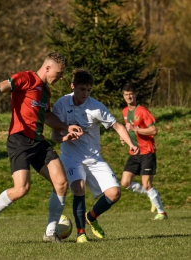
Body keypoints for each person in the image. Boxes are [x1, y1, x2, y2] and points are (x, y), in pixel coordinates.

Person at [0, 52, 83, 243]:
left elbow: (46, 116)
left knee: (61, 183)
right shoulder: (25, 78)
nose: (60, 77)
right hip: (19, 140)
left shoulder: (46, 91)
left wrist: (65, 126)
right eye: (59, 73)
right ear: (47, 68)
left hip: (38, 142)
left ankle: (50, 233)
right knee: (22, 188)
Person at [49, 69, 139, 243]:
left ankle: (91, 216)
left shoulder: (96, 106)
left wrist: (131, 144)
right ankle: (81, 233)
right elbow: (54, 136)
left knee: (115, 193)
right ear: (72, 86)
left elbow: (118, 126)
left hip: (94, 158)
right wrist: (65, 137)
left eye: (89, 90)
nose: (85, 93)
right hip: (71, 158)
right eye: (82, 89)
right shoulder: (61, 104)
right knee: (78, 187)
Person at [120, 83, 167, 220]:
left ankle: (161, 212)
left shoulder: (142, 111)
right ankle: (152, 194)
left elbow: (154, 130)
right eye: (126, 94)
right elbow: (127, 128)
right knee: (125, 183)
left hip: (147, 152)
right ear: (123, 96)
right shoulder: (124, 111)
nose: (129, 96)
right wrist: (124, 138)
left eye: (131, 94)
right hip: (134, 153)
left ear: (135, 94)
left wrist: (137, 129)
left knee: (146, 184)